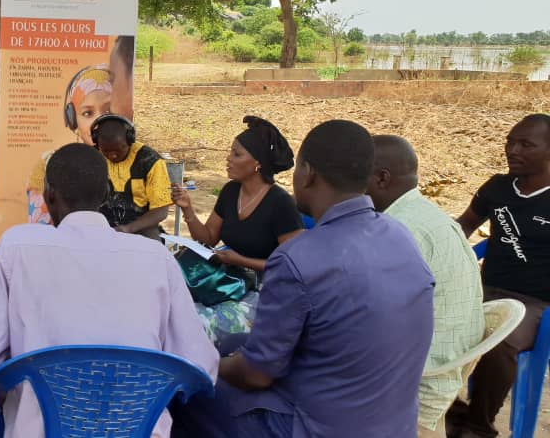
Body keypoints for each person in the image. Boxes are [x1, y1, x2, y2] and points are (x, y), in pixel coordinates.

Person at [172, 120, 435, 438]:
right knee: (237, 346)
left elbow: (257, 375)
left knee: (184, 391)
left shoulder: (298, 257)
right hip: (393, 425)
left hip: (312, 427)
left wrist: (205, 362)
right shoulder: (400, 236)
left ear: (307, 174)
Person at [0, 142, 218, 438]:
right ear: (106, 195)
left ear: (48, 196)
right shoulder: (157, 258)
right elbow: (202, 367)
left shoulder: (16, 247)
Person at [364, 134, 484, 437]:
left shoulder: (400, 230)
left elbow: (372, 322)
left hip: (421, 381)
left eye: (355, 175)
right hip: (446, 365)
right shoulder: (423, 214)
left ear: (381, 178)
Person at [445, 114, 550, 438]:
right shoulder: (497, 188)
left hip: (535, 303)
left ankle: (479, 426)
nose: (512, 150)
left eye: (525, 144)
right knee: (422, 319)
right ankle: (450, 409)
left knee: (500, 341)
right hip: (483, 289)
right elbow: (462, 228)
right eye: (510, 141)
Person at [171, 116, 303, 350]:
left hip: (264, 288)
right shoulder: (231, 191)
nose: (228, 159)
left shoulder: (280, 203)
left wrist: (241, 260)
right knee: (173, 304)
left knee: (200, 324)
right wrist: (188, 209)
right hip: (229, 277)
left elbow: (292, 266)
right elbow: (208, 238)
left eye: (236, 154)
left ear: (257, 163)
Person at [26, 35, 135, 224]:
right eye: (87, 113)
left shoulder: (138, 160)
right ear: (72, 119)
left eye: (108, 109)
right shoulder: (48, 166)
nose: (98, 121)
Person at [91, 114, 173, 239]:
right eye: (106, 151)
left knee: (152, 246)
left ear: (130, 140)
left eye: (119, 150)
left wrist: (127, 229)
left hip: (141, 228)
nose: (113, 156)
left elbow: (161, 211)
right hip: (100, 226)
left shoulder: (150, 161)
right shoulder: (92, 159)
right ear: (97, 143)